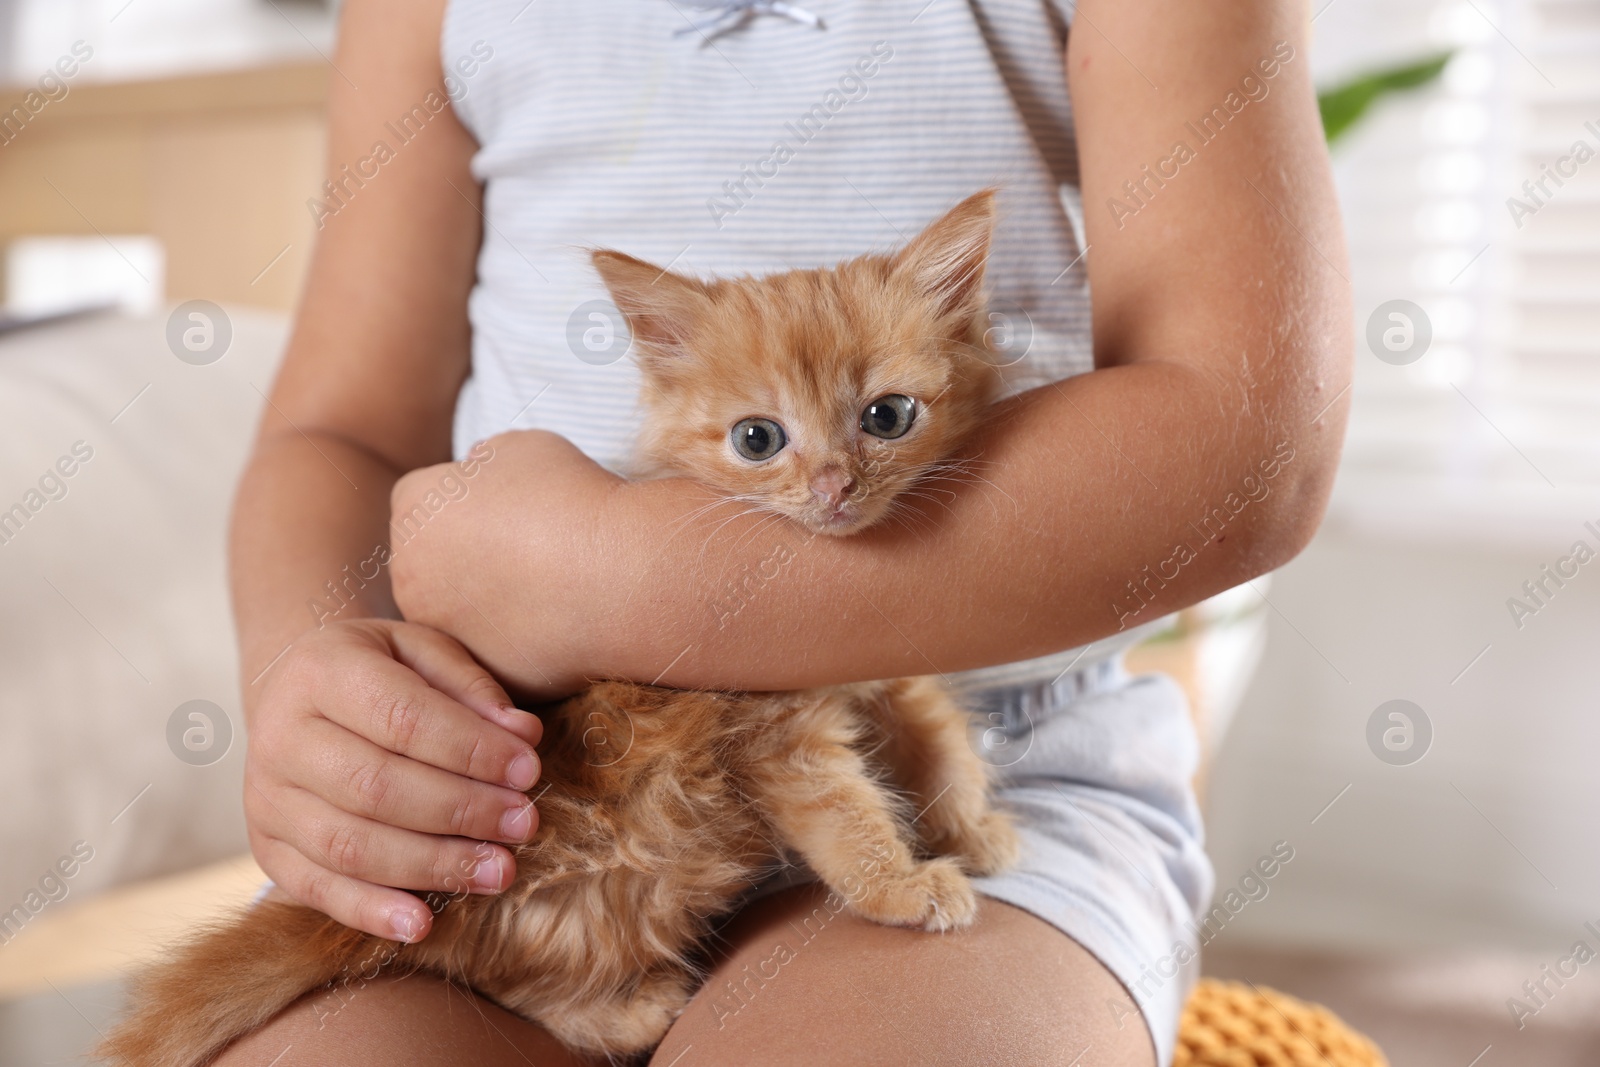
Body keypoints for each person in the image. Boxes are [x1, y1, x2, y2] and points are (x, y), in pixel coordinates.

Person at [222, 0, 1349, 1063]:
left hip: (978, 764)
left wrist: (619, 580)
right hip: (531, 782)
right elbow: (341, 433)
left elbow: (1254, 444)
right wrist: (319, 683)